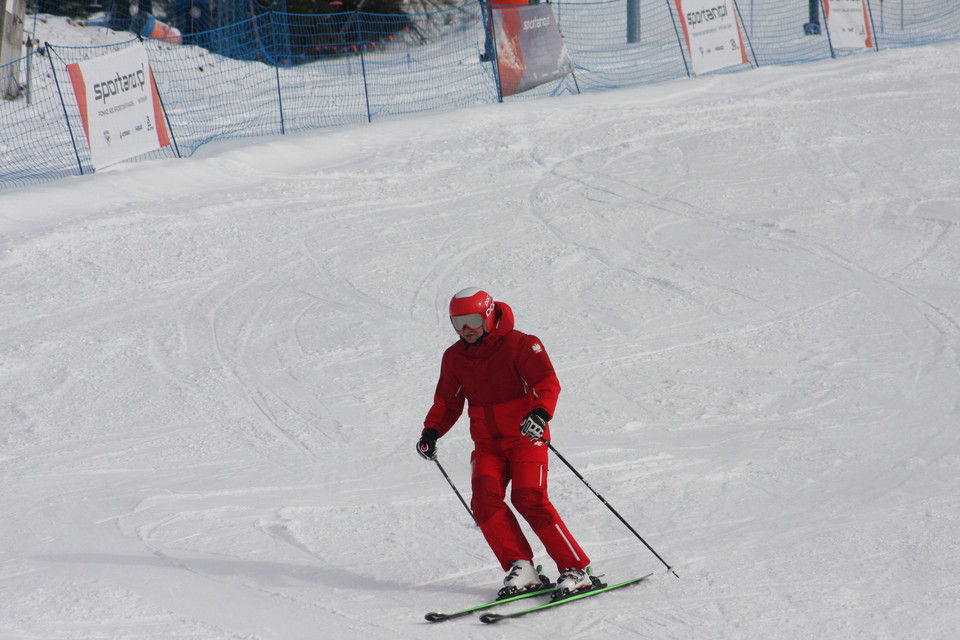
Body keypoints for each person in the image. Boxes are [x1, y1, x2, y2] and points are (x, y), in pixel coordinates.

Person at [417, 287, 594, 599]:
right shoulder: (455, 357)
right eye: (459, 323)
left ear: (487, 315)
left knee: (529, 497)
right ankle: (521, 567)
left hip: (526, 436)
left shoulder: (521, 344)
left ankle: (575, 569)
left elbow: (546, 382)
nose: (466, 329)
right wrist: (431, 432)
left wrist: (540, 413)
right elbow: (447, 402)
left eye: (472, 320)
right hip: (487, 444)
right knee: (484, 500)